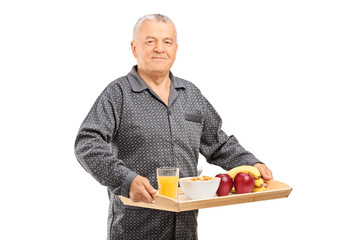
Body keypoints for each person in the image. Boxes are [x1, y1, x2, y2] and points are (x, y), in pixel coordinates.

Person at [75, 13, 273, 240]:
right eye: (150, 41)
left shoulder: (191, 94)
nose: (159, 48)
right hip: (134, 229)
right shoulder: (117, 94)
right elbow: (87, 143)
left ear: (176, 49)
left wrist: (250, 163)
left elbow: (217, 142)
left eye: (167, 42)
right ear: (134, 48)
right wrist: (125, 180)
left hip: (185, 230)